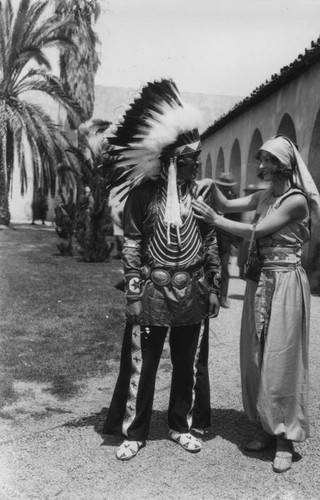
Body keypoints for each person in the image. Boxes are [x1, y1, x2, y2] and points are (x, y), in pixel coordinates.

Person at [100, 79, 221, 461]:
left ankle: (180, 425)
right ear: (172, 161)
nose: (197, 164)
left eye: (197, 157)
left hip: (193, 292)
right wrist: (134, 293)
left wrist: (214, 286)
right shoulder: (143, 195)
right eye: (191, 159)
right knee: (143, 365)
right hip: (152, 292)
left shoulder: (198, 194)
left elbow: (211, 240)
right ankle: (134, 432)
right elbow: (133, 244)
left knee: (187, 365)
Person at [193, 134, 320, 473]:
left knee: (283, 357)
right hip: (261, 282)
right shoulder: (266, 195)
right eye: (261, 159)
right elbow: (226, 204)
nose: (261, 165)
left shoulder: (295, 200)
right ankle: (269, 426)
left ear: (284, 165)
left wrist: (214, 220)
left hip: (286, 282)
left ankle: (285, 438)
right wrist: (210, 185)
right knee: (257, 355)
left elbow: (256, 230)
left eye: (267, 160)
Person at [214, 172, 242, 307]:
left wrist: (236, 242)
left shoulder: (234, 201)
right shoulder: (212, 197)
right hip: (211, 238)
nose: (224, 189)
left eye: (227, 187)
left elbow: (238, 220)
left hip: (226, 241)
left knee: (224, 268)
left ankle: (223, 297)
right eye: (222, 186)